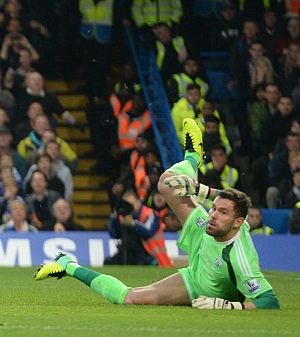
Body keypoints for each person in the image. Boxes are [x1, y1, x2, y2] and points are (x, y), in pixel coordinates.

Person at [35, 118, 280, 310]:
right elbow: (233, 201)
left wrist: (230, 306)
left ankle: (67, 265)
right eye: (214, 208)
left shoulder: (240, 256)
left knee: (129, 299)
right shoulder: (219, 220)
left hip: (198, 285)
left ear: (239, 223)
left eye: (221, 212)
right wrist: (199, 190)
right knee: (167, 184)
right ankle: (193, 158)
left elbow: (269, 301)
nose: (214, 214)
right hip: (203, 238)